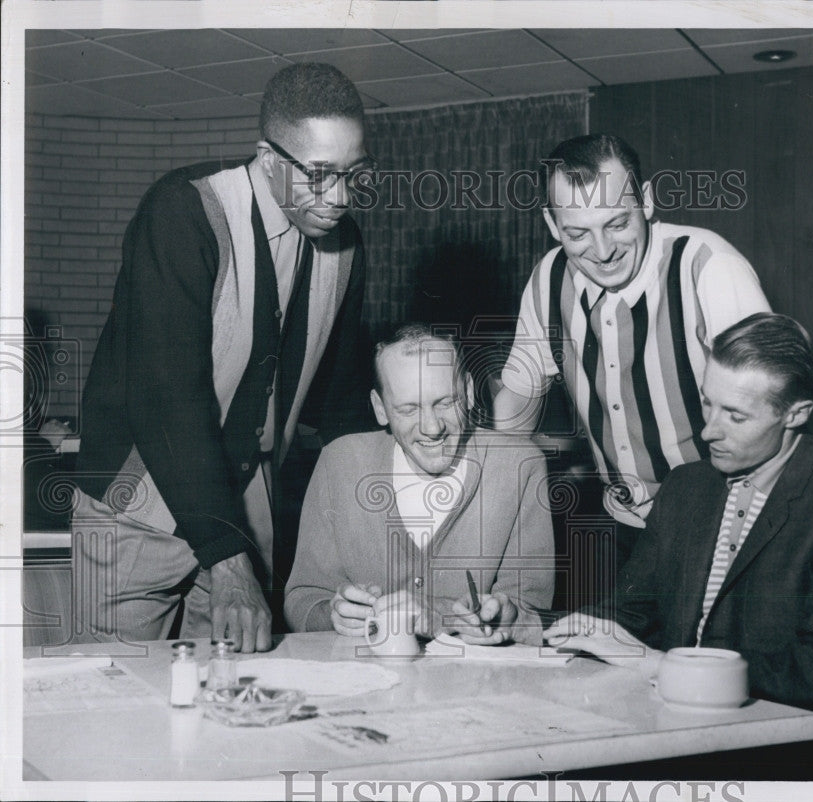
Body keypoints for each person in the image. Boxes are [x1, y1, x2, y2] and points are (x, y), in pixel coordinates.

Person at [72, 63, 373, 652]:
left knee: (236, 707)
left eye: (354, 175)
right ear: (267, 157)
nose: (337, 198)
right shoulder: (183, 211)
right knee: (123, 711)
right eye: (317, 175)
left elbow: (339, 408)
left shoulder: (346, 246)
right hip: (140, 503)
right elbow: (166, 400)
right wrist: (229, 562)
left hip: (248, 506)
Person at [544, 313, 813, 778]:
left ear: (797, 414)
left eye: (735, 415)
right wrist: (535, 627)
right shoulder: (688, 485)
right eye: (708, 404)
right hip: (674, 734)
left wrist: (667, 666)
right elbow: (633, 611)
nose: (708, 431)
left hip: (790, 757)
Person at [494, 134, 771, 566]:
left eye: (617, 224)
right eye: (577, 233)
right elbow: (515, 404)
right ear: (552, 225)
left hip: (729, 524)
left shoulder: (709, 267)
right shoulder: (548, 280)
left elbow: (767, 411)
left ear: (644, 200)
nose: (603, 252)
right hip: (624, 526)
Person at [285, 324, 554, 645]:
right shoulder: (339, 462)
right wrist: (332, 614)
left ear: (468, 392)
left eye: (444, 402)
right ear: (380, 408)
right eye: (409, 409)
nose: (431, 427)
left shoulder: (519, 466)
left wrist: (443, 616)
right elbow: (302, 597)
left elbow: (528, 613)